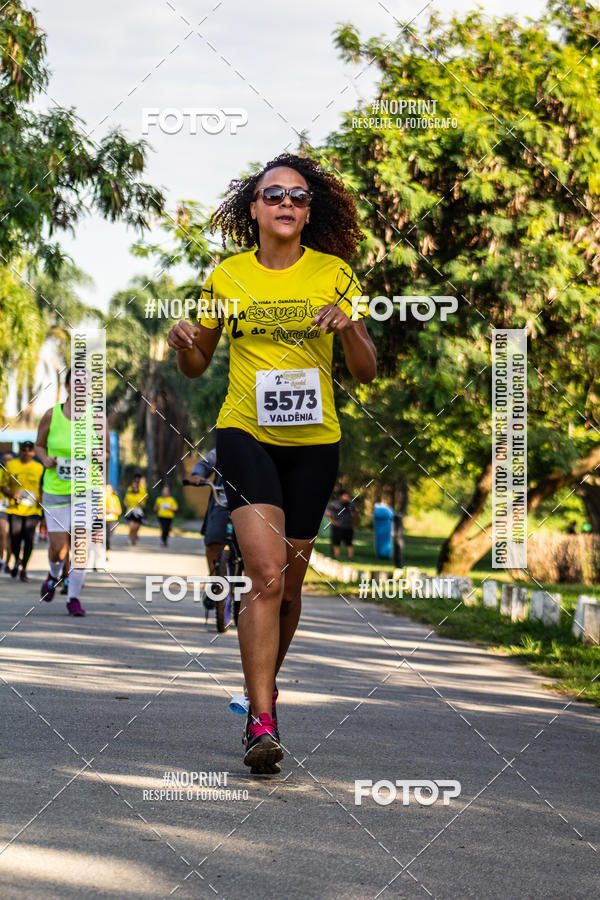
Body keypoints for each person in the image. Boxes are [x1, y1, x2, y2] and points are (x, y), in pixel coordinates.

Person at [167, 152, 377, 773]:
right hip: (245, 433)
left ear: (310, 211)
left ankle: (264, 691)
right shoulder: (228, 277)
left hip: (315, 441)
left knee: (288, 587)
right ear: (253, 209)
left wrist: (349, 329)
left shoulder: (334, 273)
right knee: (264, 574)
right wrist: (184, 341)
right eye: (274, 195)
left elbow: (364, 370)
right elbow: (197, 363)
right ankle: (261, 722)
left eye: (299, 197)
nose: (287, 204)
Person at [35, 367, 106, 616]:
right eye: (76, 383)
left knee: (80, 547)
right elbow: (39, 446)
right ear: (67, 387)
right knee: (59, 550)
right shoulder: (51, 415)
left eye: (85, 384)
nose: (81, 388)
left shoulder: (97, 418)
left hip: (85, 490)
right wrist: (45, 460)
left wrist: (99, 456)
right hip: (55, 490)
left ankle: (73, 598)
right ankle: (53, 575)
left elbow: (106, 453)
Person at [3, 442, 43, 581]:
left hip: (33, 511)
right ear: (20, 451)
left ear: (34, 452)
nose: (26, 452)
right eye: (24, 450)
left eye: (30, 450)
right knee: (15, 540)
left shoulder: (39, 467)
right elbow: (3, 486)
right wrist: (11, 494)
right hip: (15, 509)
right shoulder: (12, 465)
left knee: (29, 540)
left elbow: (44, 486)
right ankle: (17, 561)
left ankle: (23, 568)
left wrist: (41, 499)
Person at [187, 448, 229, 575]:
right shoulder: (225, 447)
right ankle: (216, 584)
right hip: (223, 503)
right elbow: (204, 464)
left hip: (253, 506)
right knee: (213, 542)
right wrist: (196, 474)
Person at [326, 489, 358, 561]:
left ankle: (350, 558)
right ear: (341, 496)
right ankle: (336, 557)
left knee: (349, 543)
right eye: (345, 496)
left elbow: (356, 512)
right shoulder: (335, 503)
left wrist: (354, 523)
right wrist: (333, 521)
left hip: (348, 527)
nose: (347, 497)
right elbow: (327, 512)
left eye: (347, 496)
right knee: (336, 542)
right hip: (338, 527)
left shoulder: (351, 504)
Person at [0, 451, 14, 572]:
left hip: (17, 509)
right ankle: (1, 559)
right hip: (2, 507)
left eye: (10, 459)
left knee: (12, 537)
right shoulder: (1, 473)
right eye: (5, 459)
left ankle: (8, 562)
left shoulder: (17, 472)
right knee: (2, 534)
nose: (7, 462)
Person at [123, 473, 146, 546]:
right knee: (132, 526)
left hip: (138, 511)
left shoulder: (142, 491)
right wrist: (126, 504)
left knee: (136, 527)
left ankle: (134, 537)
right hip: (130, 511)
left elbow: (144, 502)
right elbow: (125, 501)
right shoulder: (129, 492)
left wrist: (141, 503)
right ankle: (130, 538)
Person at [105, 483, 122, 558]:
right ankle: (101, 553)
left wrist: (110, 510)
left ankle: (107, 552)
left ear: (112, 491)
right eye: (105, 490)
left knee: (109, 537)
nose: (107, 491)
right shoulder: (100, 498)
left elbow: (119, 511)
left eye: (108, 490)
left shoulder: (115, 498)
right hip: (101, 520)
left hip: (112, 520)